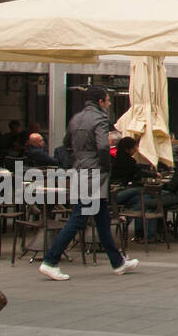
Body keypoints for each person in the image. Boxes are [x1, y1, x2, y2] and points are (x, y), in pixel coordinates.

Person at [39, 86, 138, 280]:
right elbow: (102, 146)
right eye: (108, 100)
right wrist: (106, 166)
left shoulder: (76, 118)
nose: (109, 104)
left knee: (102, 219)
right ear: (101, 101)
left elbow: (66, 143)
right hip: (94, 173)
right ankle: (50, 261)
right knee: (79, 217)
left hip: (80, 170)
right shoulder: (100, 119)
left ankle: (117, 262)